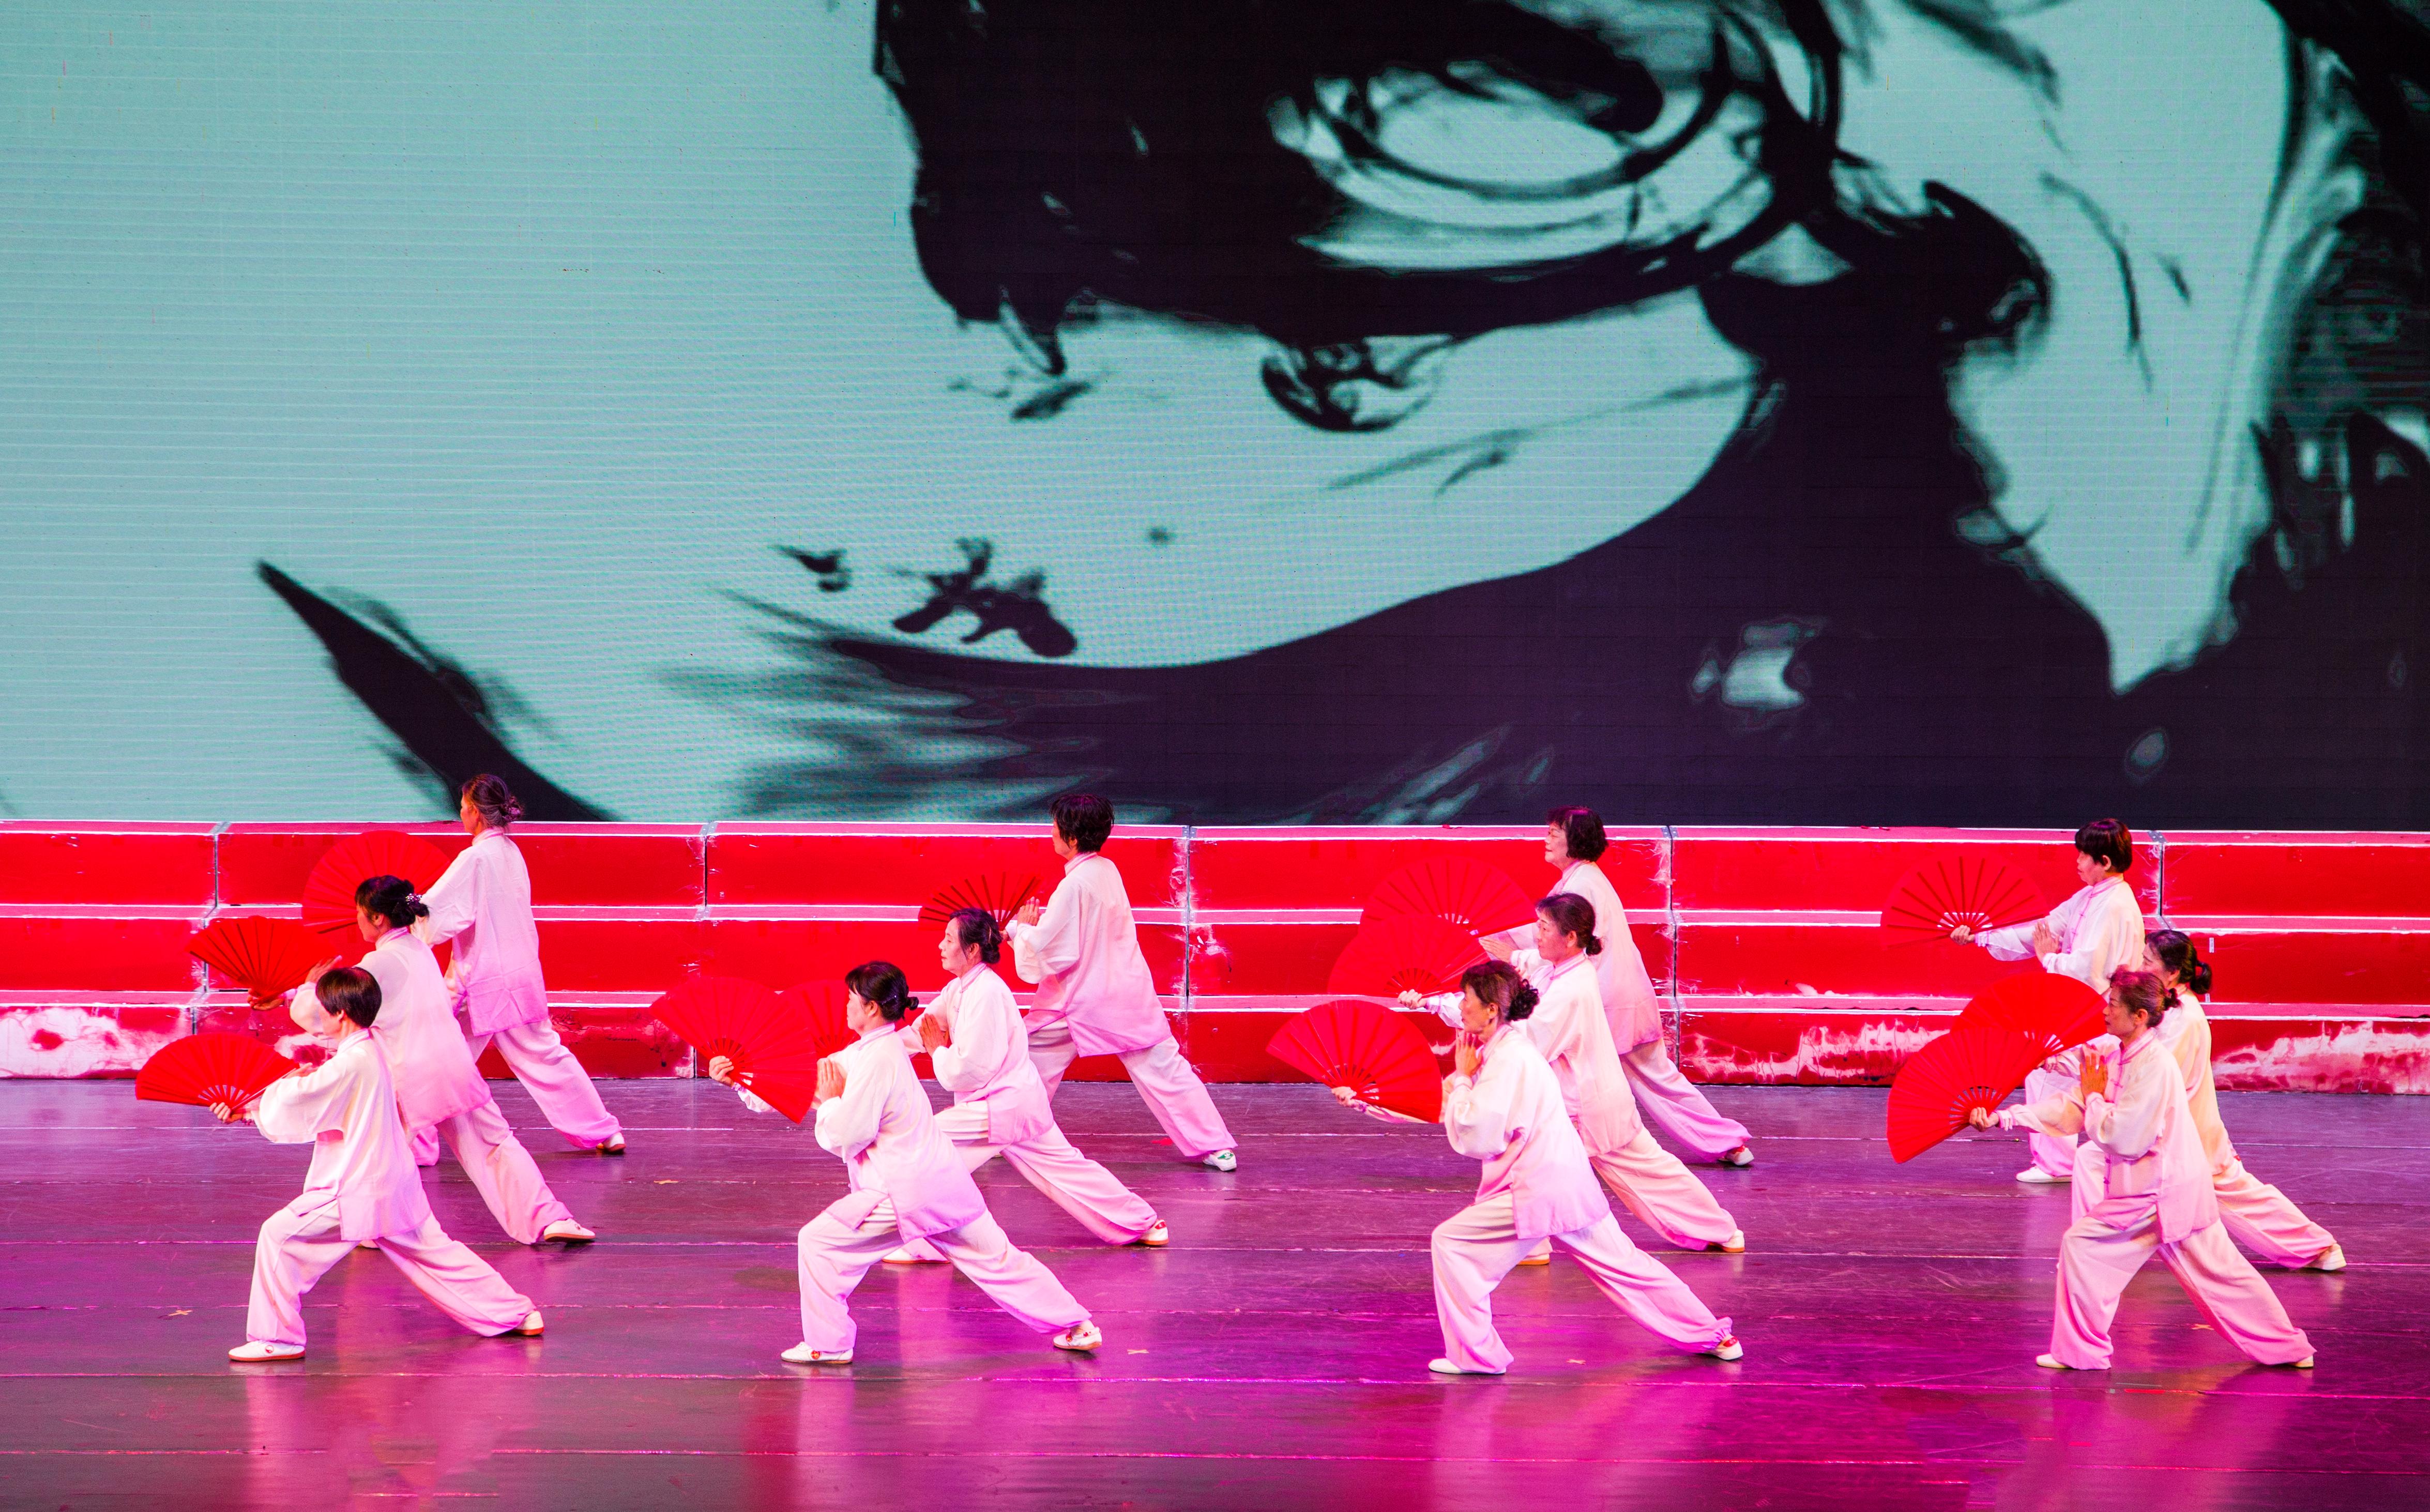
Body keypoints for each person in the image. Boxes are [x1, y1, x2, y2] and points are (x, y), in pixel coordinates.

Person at [711, 960, 1102, 1364]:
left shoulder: (876, 1058)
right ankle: (1077, 1324)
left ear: (872, 1008)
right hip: (946, 1183)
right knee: (998, 1259)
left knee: (819, 1242)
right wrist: (743, 1079)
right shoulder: (874, 1050)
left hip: (904, 1192)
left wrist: (830, 1103)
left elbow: (849, 1132)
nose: (846, 1005)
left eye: (852, 998)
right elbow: (802, 1081)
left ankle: (829, 1344)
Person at [1970, 970, 2314, 1372]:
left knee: (2085, 1247)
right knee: (2223, 1275)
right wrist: (2005, 1117)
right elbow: (2073, 1102)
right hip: (2165, 1187)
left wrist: (2094, 1096)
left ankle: (2082, 1351)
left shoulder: (2155, 1065)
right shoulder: (2116, 1052)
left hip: (2158, 1192)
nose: (2104, 1011)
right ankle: (2289, 1347)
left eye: (2112, 1004)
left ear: (2139, 1016)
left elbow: (2124, 1136)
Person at [1423, 959, 1741, 1377]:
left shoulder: (1508, 1059)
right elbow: (1444, 1101)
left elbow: (1479, 1131)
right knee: (1625, 1265)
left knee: (1452, 1244)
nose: (1460, 1007)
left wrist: (1464, 1078)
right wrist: (1371, 1100)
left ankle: (1476, 1356)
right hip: (1566, 1181)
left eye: (1466, 999)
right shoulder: (1505, 1051)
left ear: (1491, 1010)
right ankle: (1714, 1335)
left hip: (1536, 1187)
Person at [221, 966, 541, 1362]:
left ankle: (278, 1337)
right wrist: (263, 1101)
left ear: (340, 1013)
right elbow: (319, 1093)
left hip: (358, 1185)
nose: (318, 1017)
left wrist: (252, 1104)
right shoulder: (371, 1049)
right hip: (393, 1180)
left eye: (322, 1008)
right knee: (436, 1253)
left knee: (278, 1236)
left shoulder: (351, 1063)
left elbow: (300, 1099)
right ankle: (515, 1312)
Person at [1454, 893, 1742, 1255]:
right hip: (1582, 1102)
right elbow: (1528, 963)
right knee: (1526, 1166)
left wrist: (1472, 1023)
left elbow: (1532, 1040)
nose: (1537, 935)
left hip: (1590, 1109)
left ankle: (1720, 1229)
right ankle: (1528, 1244)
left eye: (1544, 928)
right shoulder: (1562, 968)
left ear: (1570, 937)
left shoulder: (1572, 989)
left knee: (1647, 1175)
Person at [887, 908, 1167, 1261]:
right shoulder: (960, 989)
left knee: (926, 1149)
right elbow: (919, 1032)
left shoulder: (987, 993)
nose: (940, 946)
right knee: (1065, 1169)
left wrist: (937, 1051)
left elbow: (971, 1069)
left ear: (972, 950)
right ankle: (1143, 1222)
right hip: (1016, 1104)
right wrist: (858, 1061)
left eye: (948, 939)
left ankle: (923, 1243)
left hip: (1000, 1106)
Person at [1491, 807, 1752, 1166]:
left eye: (1554, 832)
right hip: (1619, 996)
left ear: (1575, 840)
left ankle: (1546, 1151)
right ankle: (1727, 1143)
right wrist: (1505, 943)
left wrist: (1511, 952)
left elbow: (1568, 945)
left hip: (1608, 1001)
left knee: (1561, 1069)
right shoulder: (1581, 879)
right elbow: (1549, 935)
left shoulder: (1581, 885)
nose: (1546, 839)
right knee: (1655, 1078)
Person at [351, 875, 594, 1245]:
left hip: (413, 1076)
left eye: (359, 911)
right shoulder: (420, 951)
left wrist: (294, 996)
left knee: (374, 1148)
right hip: (455, 1065)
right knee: (496, 1144)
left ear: (377, 917)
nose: (357, 919)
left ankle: (371, 1226)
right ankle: (549, 1218)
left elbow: (339, 1010)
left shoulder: (379, 961)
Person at [1008, 793, 1238, 1170]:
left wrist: (1021, 930)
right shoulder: (1107, 869)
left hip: (1081, 998)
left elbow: (1056, 949)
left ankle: (1007, 1132)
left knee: (1025, 1057)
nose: (1051, 833)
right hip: (1126, 993)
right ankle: (1215, 1145)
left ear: (1073, 837)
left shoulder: (1074, 884)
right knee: (1164, 1068)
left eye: (1056, 827)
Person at [413, 773, 625, 1164]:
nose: (461, 814)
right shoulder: (511, 852)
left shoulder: (475, 857)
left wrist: (409, 908)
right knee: (544, 1055)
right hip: (519, 972)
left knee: (432, 1054)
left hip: (481, 978)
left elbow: (440, 914)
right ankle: (605, 1130)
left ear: (476, 812)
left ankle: (417, 1145)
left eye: (463, 807)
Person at [1953, 818, 2147, 1184]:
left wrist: (2050, 959)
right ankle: (2058, 1163)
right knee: (2048, 1070)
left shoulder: (2115, 906)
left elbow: (2089, 971)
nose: (2078, 861)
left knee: (2054, 1072)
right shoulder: (2090, 897)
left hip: (2099, 1010)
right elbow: (2043, 930)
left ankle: (2060, 1164)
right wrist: (1980, 937)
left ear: (2104, 861)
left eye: (2084, 855)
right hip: (2085, 1009)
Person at [2143, 930, 2344, 1272]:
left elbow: (2158, 1074)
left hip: (2188, 1132)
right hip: (2176, 1129)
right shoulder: (2169, 1009)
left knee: (2236, 1195)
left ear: (2172, 972)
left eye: (2147, 961)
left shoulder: (2185, 1018)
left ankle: (2315, 1246)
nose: (2140, 966)